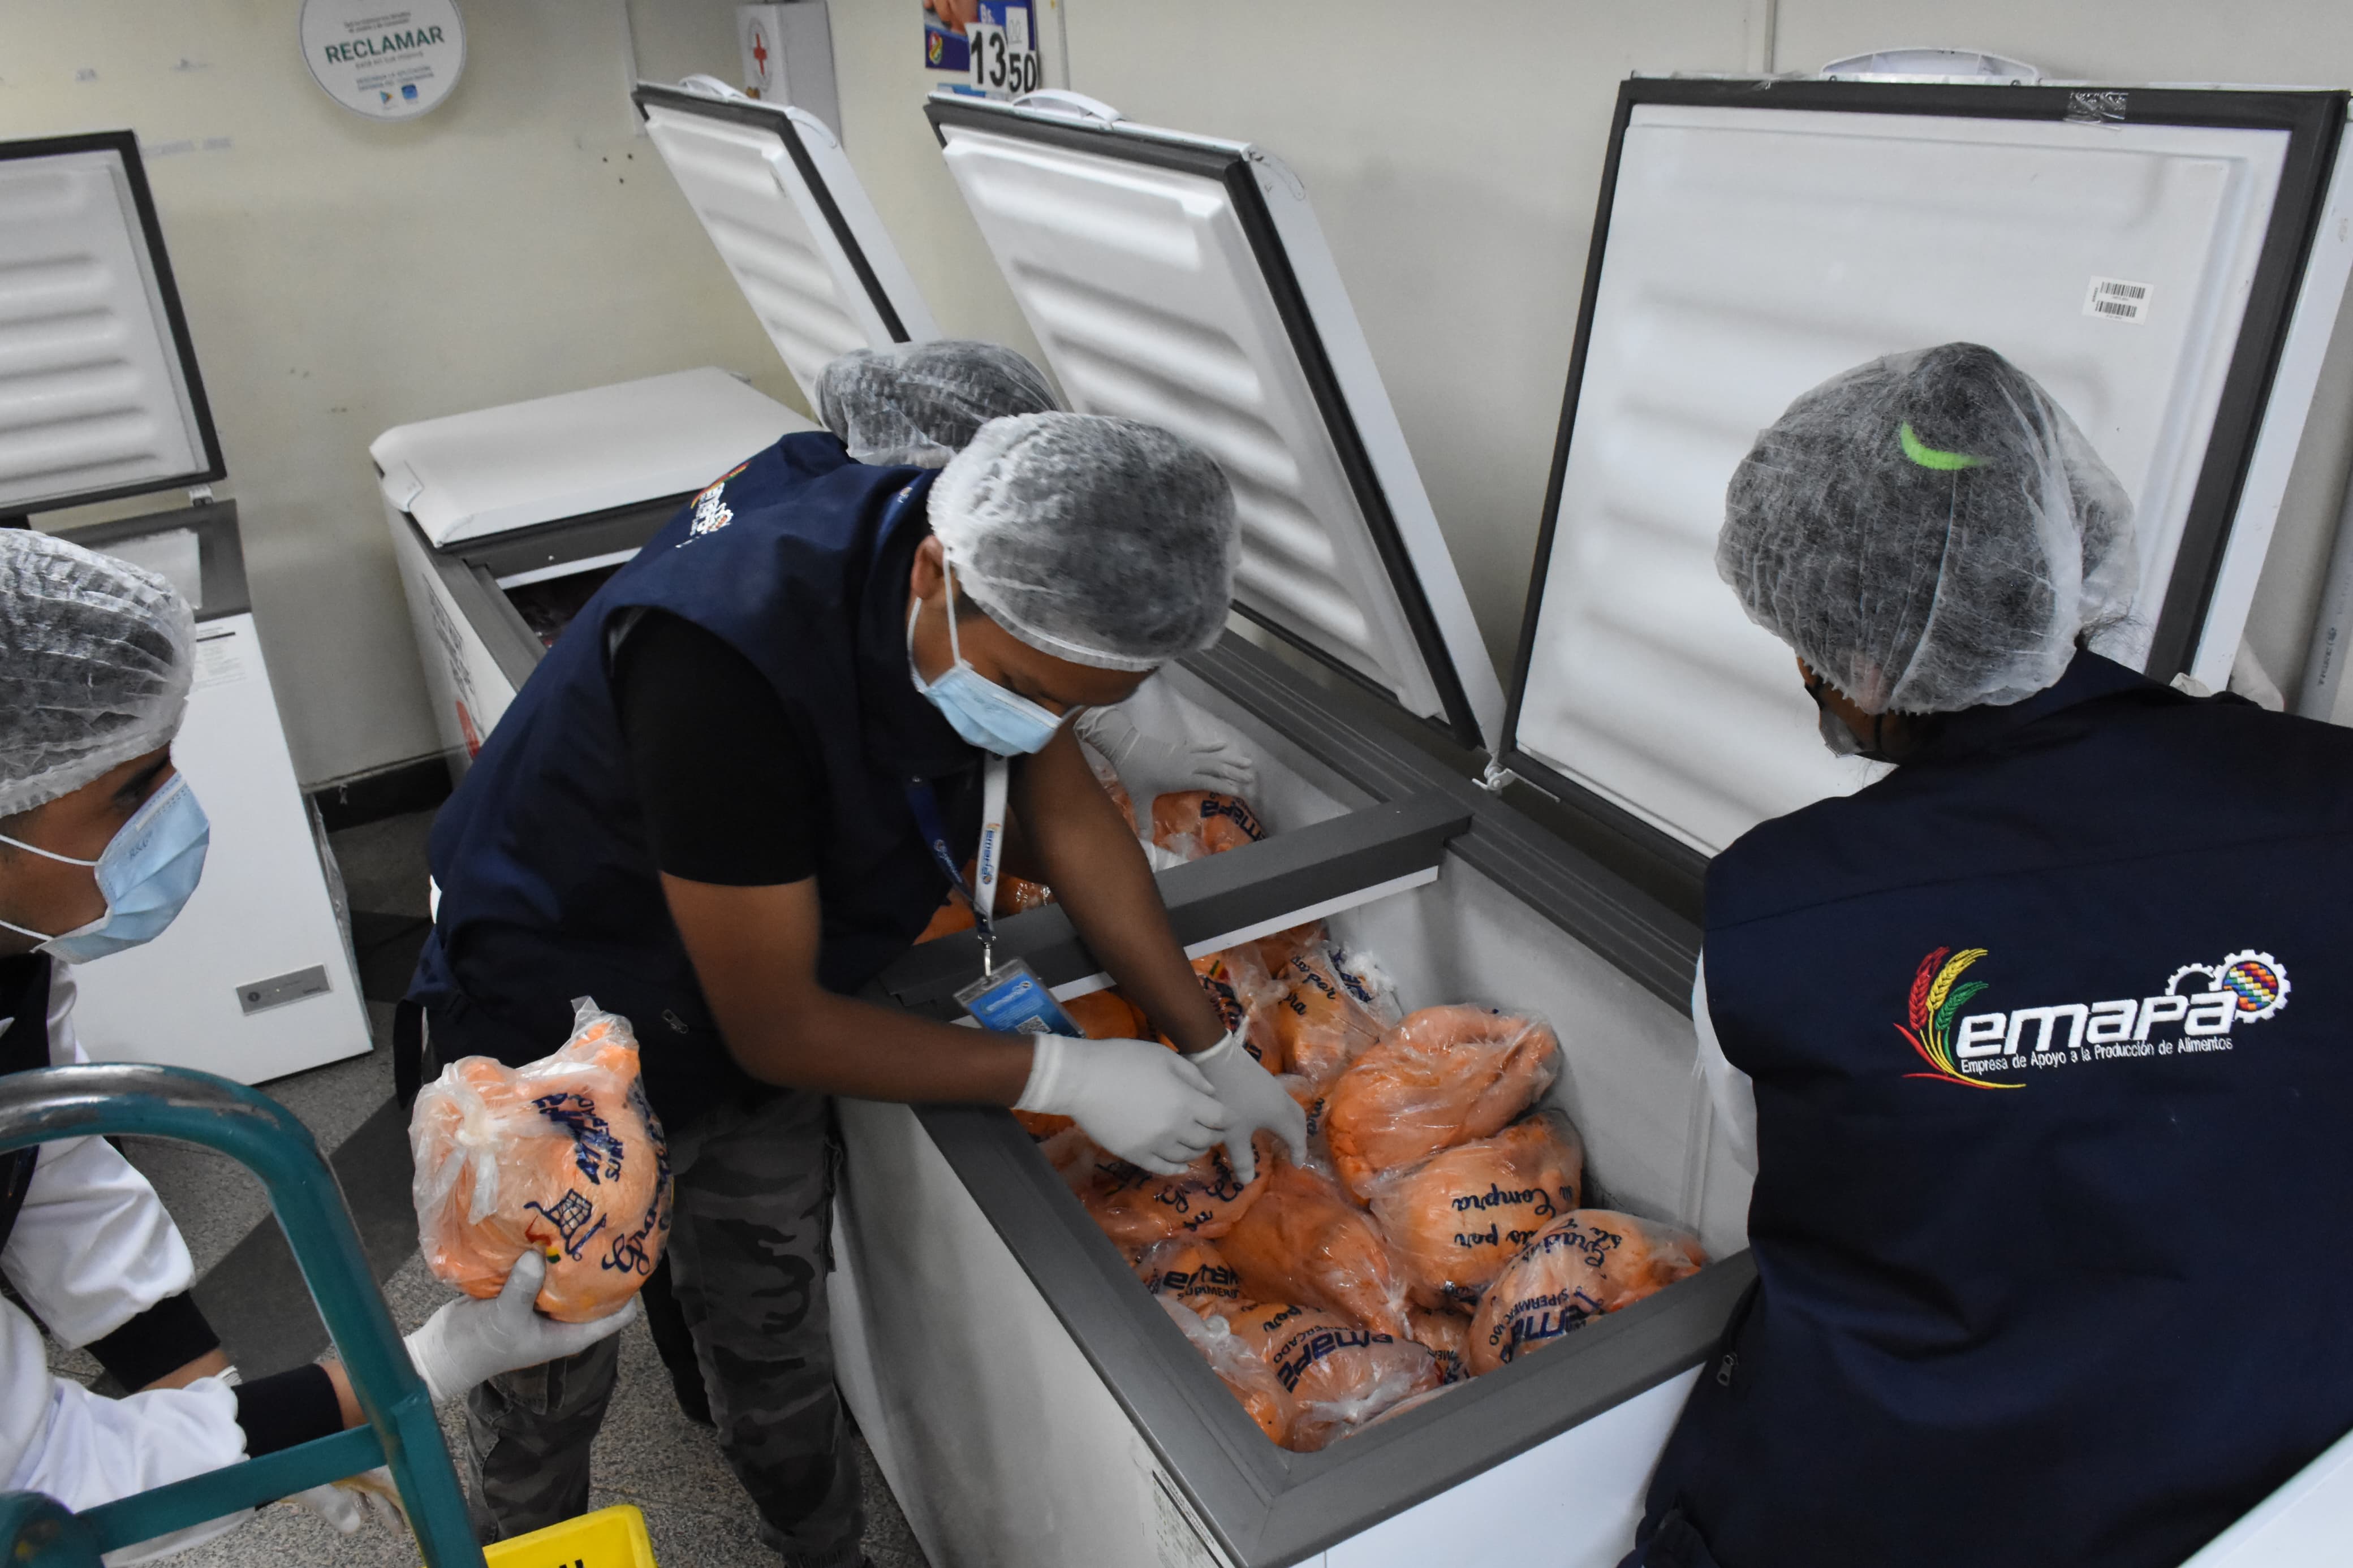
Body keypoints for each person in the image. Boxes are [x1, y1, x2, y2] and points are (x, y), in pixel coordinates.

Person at [406, 386, 1306, 1564]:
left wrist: (1210, 1044)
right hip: (558, 997)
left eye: (1077, 705)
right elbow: (777, 1026)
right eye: (1029, 691)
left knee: (769, 1316)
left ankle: (821, 1545)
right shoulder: (724, 658)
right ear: (935, 572)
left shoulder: (964, 578)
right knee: (544, 1364)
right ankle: (522, 1545)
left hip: (758, 964)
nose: (1038, 722)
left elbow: (1067, 811)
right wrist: (1062, 1073)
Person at [1628, 343, 2353, 1568]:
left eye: (1805, 644)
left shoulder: (1780, 910)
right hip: (2269, 1488)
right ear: (2072, 559)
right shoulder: (2330, 800)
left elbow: (1791, 1180)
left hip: (1898, 1508)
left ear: (1860, 663)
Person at [0, 530, 634, 1557]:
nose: (171, 815)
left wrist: (232, 1409)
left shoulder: (15, 950)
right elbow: (43, 1493)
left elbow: (51, 1173)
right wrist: (402, 1376)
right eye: (126, 793)